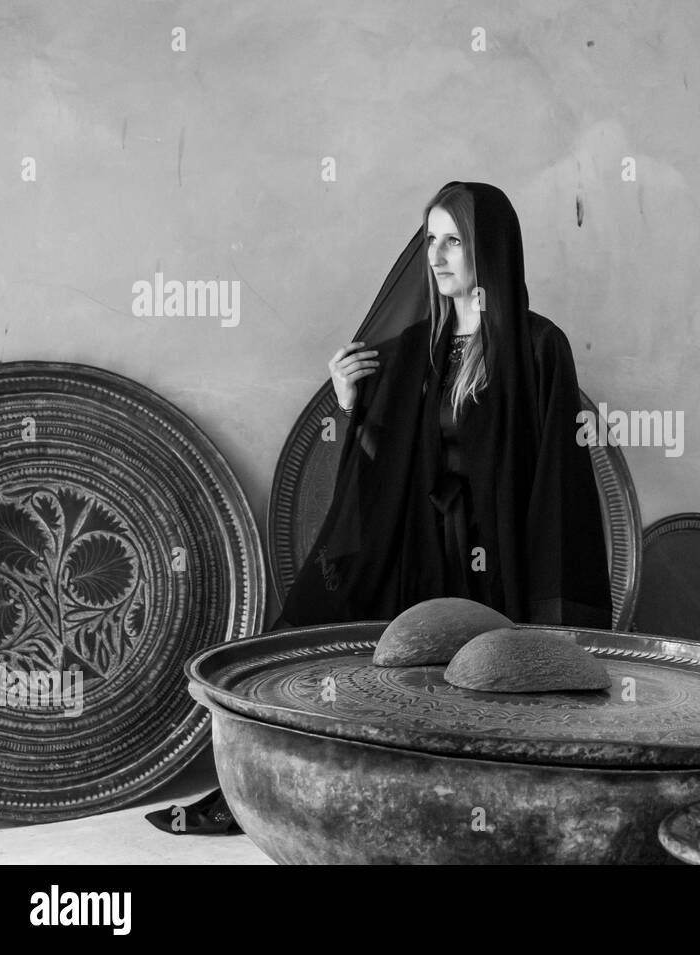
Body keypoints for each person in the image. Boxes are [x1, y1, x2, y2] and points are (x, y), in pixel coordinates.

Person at [148, 181, 611, 835]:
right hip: (415, 550)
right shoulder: (415, 348)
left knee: (477, 697)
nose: (439, 255)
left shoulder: (539, 348)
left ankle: (469, 813)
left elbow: (556, 479)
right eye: (431, 240)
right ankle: (305, 793)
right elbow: (379, 455)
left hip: (495, 561)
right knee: (374, 671)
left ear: (492, 248)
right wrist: (349, 400)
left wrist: (552, 610)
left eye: (454, 239)